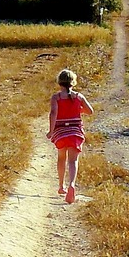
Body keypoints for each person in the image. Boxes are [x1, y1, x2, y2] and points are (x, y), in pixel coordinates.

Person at [47, 68, 93, 204]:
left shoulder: (56, 97)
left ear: (59, 82)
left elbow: (53, 114)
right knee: (73, 161)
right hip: (75, 131)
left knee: (61, 158)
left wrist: (51, 131)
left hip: (61, 132)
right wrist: (79, 110)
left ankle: (62, 187)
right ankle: (72, 184)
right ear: (73, 82)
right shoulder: (79, 97)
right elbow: (90, 111)